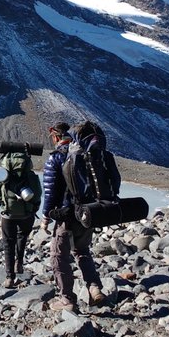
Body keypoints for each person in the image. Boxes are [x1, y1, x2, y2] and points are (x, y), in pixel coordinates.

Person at [40, 121, 113, 311]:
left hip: (66, 215)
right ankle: (94, 288)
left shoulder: (56, 158)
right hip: (88, 213)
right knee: (82, 252)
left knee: (58, 256)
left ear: (56, 137)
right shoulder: (85, 154)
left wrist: (46, 216)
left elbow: (50, 191)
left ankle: (67, 300)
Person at [0, 146, 42, 288]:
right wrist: (34, 207)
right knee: (22, 236)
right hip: (26, 214)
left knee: (8, 243)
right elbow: (37, 193)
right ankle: (19, 262)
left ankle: (9, 277)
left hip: (8, 214)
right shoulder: (30, 175)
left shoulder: (1, 174)